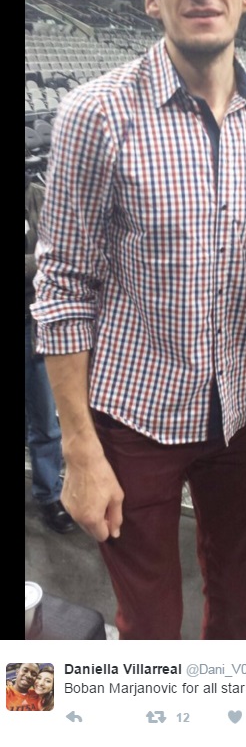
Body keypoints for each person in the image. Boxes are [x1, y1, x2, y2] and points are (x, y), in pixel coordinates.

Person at [32, 0, 246, 641]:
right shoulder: (96, 115)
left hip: (244, 412)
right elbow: (62, 286)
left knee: (240, 600)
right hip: (132, 417)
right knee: (149, 621)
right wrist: (79, 452)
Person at [25, 168, 75, 534]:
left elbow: (55, 256)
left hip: (34, 325)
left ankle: (48, 495)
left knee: (45, 420)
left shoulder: (38, 197)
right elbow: (43, 262)